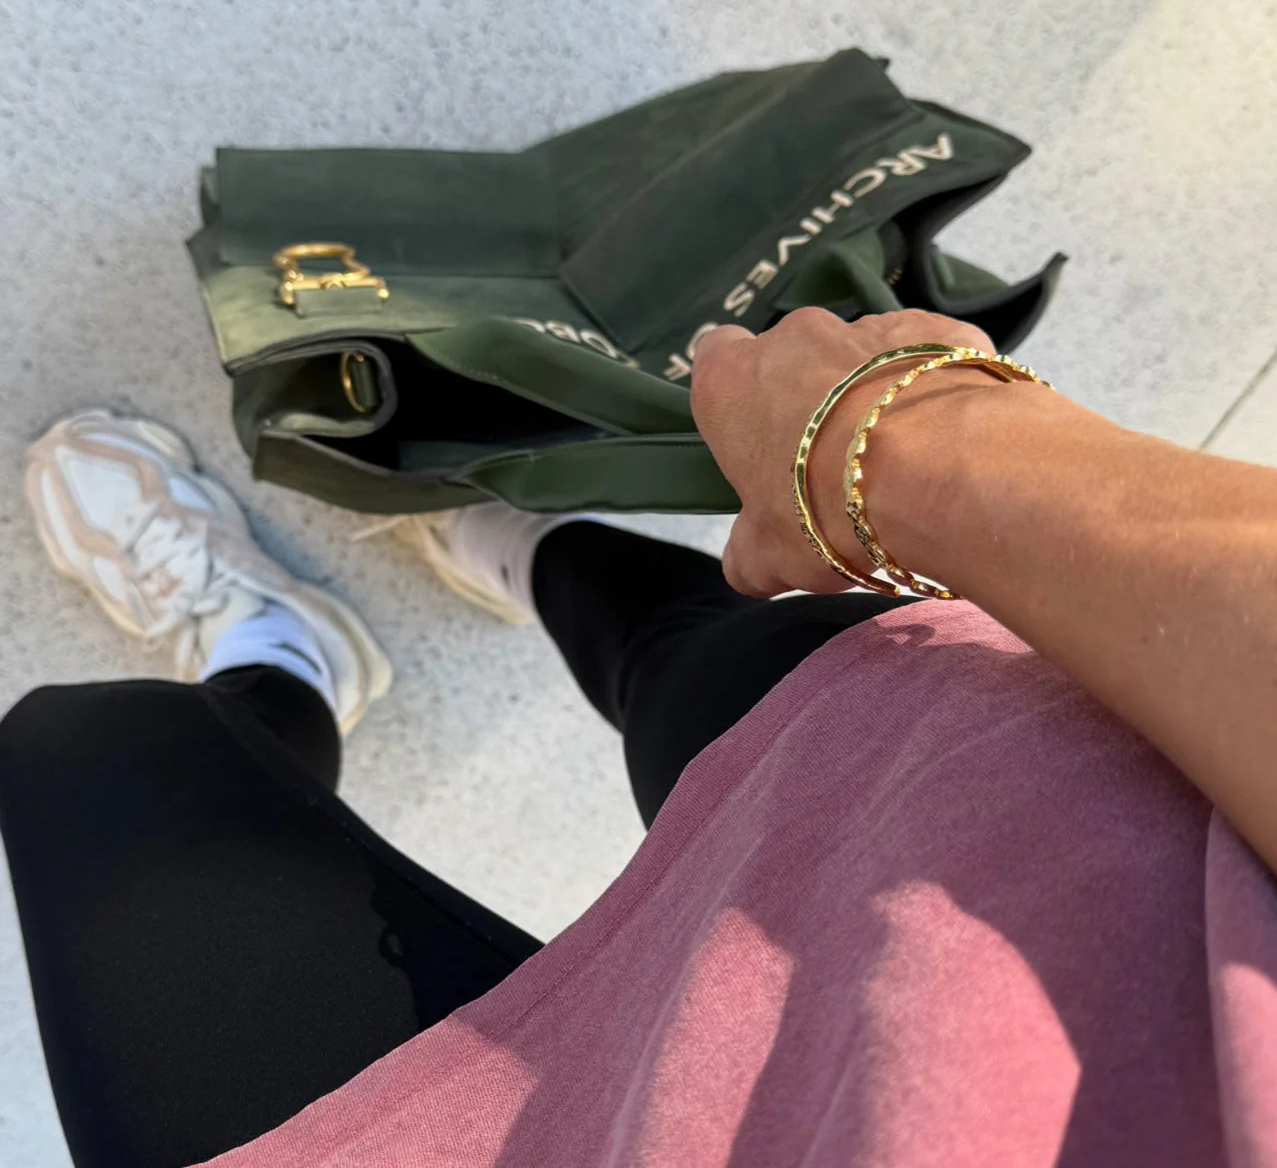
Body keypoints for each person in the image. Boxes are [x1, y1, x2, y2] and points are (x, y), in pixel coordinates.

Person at [1, 306, 1275, 1168]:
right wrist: (915, 452)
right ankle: (530, 541)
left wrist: (901, 436)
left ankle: (278, 661)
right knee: (685, 651)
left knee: (93, 761)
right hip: (1012, 893)